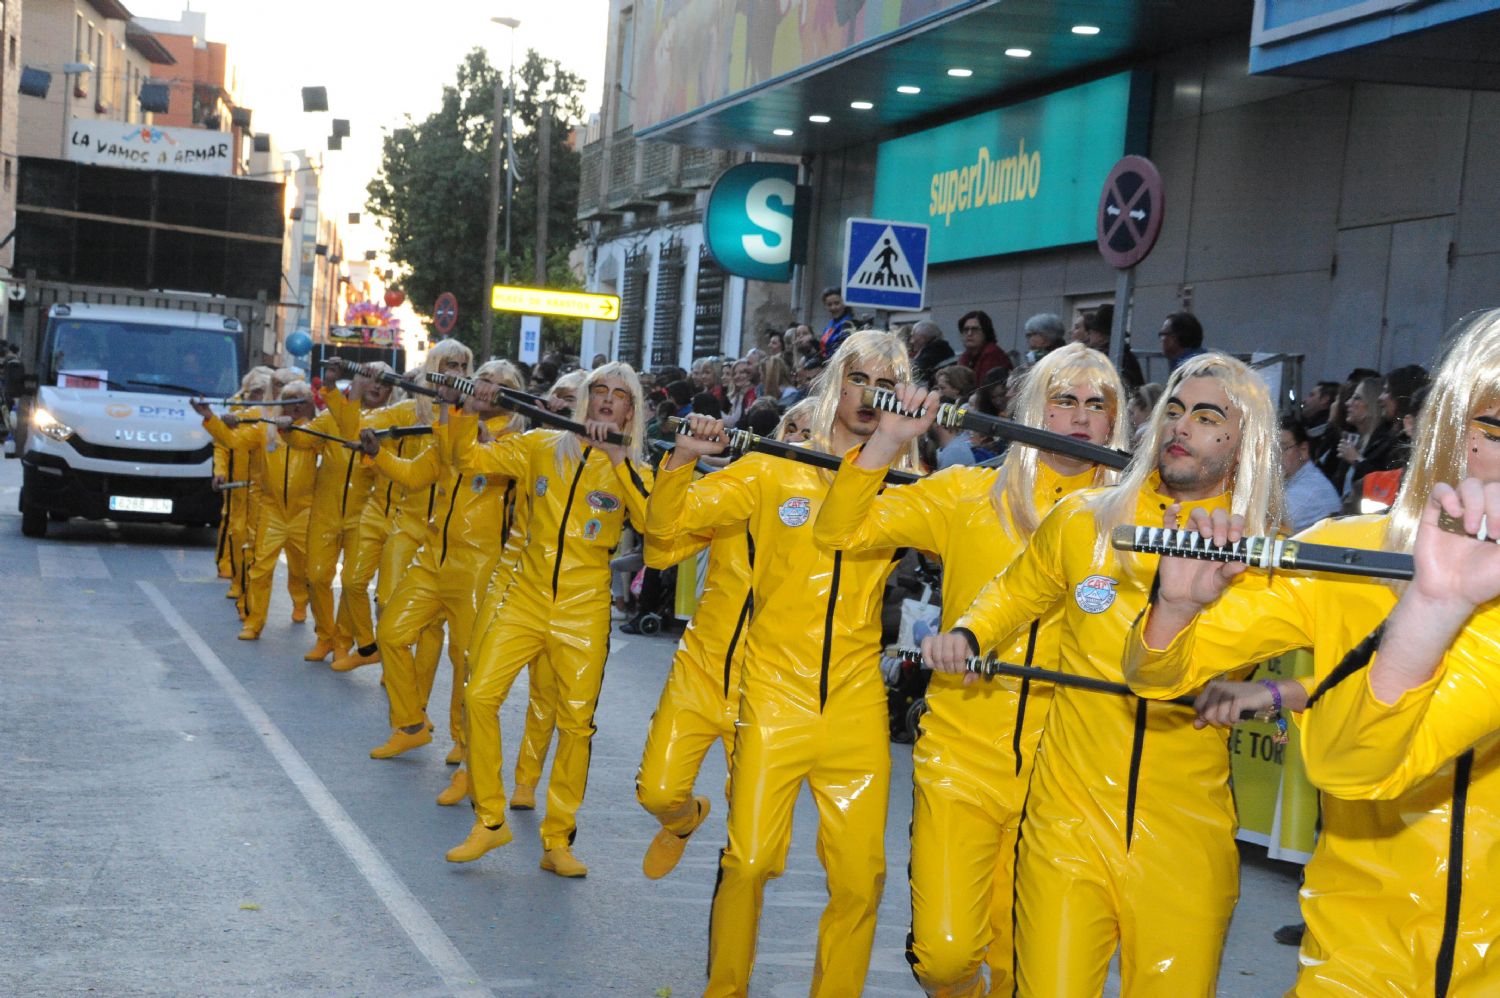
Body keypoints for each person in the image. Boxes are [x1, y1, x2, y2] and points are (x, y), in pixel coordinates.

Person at [1126, 308, 1500, 998]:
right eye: (1498, 429)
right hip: (1359, 957)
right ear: (1453, 429)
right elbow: (1158, 674)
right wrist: (1175, 608)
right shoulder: (1341, 555)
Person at [922, 352, 1284, 996]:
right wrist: (968, 634)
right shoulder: (1087, 517)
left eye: (1206, 417)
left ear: (1245, 439)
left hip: (1184, 837)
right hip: (1066, 822)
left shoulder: (1264, 548)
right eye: (1173, 410)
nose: (1181, 426)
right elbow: (1014, 592)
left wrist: (1277, 690)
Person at [816, 342, 1129, 996]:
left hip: (1067, 774)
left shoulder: (1138, 524)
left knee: (1029, 967)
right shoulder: (966, 493)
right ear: (1029, 408)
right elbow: (839, 531)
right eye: (1063, 399)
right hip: (961, 758)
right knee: (944, 958)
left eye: (1097, 405)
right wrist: (889, 442)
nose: (1079, 416)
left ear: (1115, 422)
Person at [653, 331, 917, 997]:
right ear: (836, 383)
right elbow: (665, 534)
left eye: (889, 386)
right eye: (861, 380)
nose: (872, 397)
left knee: (861, 880)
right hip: (772, 692)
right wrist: (683, 457)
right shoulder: (772, 469)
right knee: (748, 862)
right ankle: (726, 989)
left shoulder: (909, 486)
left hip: (857, 704)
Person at [444, 362, 653, 874]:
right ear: (584, 398)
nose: (606, 400)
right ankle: (490, 820)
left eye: (618, 394)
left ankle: (557, 837)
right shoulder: (542, 444)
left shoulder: (634, 469)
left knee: (576, 724)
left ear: (631, 409)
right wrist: (468, 410)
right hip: (525, 597)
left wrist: (620, 457)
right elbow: (469, 457)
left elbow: (655, 524)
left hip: (584, 610)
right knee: (479, 694)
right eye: (598, 390)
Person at [634, 400, 816, 880]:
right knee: (657, 792)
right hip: (701, 670)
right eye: (791, 429)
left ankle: (735, 942)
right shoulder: (737, 491)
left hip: (771, 691)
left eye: (810, 434)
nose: (796, 441)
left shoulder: (840, 518)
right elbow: (659, 551)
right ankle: (684, 820)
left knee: (756, 850)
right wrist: (683, 461)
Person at [361, 361, 525, 808]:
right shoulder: (450, 428)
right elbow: (417, 474)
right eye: (482, 379)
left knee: (466, 658)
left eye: (497, 383)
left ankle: (466, 750)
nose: (484, 387)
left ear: (511, 394)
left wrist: (473, 427)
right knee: (392, 632)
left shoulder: (519, 444)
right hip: (434, 556)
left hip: (480, 563)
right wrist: (378, 456)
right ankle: (411, 723)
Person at [287, 365, 394, 663]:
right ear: (358, 380)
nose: (377, 386)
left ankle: (344, 642)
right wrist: (288, 427)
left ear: (391, 390)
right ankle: (326, 635)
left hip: (364, 515)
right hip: (326, 511)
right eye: (371, 378)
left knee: (353, 580)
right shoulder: (331, 417)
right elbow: (302, 440)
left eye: (384, 382)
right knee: (317, 575)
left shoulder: (393, 424)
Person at [1280, 413, 1341, 532]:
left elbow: (1260, 526)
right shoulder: (1292, 478)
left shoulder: (1309, 491)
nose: (1273, 456)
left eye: (1283, 448)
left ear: (1303, 450)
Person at [1082, 304, 1144, 390]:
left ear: (1101, 334)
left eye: (1092, 331)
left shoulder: (1112, 356)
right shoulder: (1123, 354)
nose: (1089, 335)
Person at [957, 310, 1010, 386]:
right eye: (966, 330)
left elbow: (984, 389)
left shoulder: (992, 353)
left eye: (974, 329)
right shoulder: (966, 356)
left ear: (986, 332)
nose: (969, 333)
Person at [909, 319, 956, 383]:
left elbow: (914, 370)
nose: (911, 341)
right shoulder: (937, 348)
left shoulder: (936, 349)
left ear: (923, 338)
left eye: (913, 336)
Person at [818, 287, 857, 360]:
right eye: (829, 304)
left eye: (837, 303)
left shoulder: (849, 324)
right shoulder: (830, 324)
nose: (833, 307)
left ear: (844, 303)